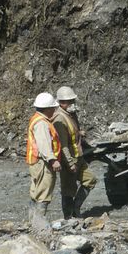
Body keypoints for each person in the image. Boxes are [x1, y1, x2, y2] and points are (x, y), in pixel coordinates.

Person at [52, 86, 97, 219]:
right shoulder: (59, 119)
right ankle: (69, 217)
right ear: (61, 103)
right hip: (69, 160)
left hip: (79, 156)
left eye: (73, 100)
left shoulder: (71, 114)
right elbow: (63, 145)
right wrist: (70, 163)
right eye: (69, 101)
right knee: (68, 190)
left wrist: (79, 133)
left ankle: (76, 209)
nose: (72, 103)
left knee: (90, 179)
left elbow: (73, 132)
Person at [26, 92, 62, 226]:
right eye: (53, 108)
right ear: (47, 109)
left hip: (36, 162)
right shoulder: (41, 123)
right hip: (43, 162)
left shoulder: (37, 118)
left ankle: (32, 222)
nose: (54, 110)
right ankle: (39, 224)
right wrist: (53, 160)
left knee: (36, 192)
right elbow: (44, 144)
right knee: (43, 192)